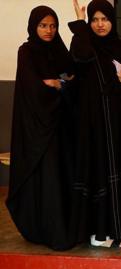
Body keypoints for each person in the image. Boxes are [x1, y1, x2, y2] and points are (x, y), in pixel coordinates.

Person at [69, 0, 121, 248]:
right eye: (95, 20)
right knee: (100, 168)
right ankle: (99, 233)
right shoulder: (84, 42)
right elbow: (79, 56)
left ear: (113, 20)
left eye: (104, 19)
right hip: (95, 122)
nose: (100, 25)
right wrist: (80, 27)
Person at [6, 5, 77, 251]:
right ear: (33, 26)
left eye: (53, 25)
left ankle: (63, 228)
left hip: (61, 128)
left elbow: (73, 78)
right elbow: (32, 88)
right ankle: (43, 229)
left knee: (62, 177)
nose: (48, 30)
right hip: (38, 131)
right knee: (46, 179)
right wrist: (56, 84)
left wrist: (58, 84)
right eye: (43, 25)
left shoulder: (60, 50)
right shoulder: (26, 52)